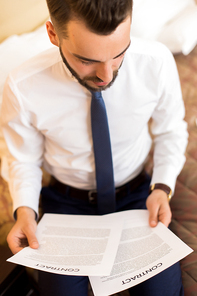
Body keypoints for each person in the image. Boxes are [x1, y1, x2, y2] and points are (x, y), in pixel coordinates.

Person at [1, 0, 188, 295]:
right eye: (87, 60)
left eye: (118, 54)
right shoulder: (22, 86)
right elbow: (22, 158)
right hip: (66, 206)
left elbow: (172, 131)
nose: (107, 75)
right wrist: (24, 210)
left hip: (139, 196)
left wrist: (162, 188)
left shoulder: (156, 61)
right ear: (52, 34)